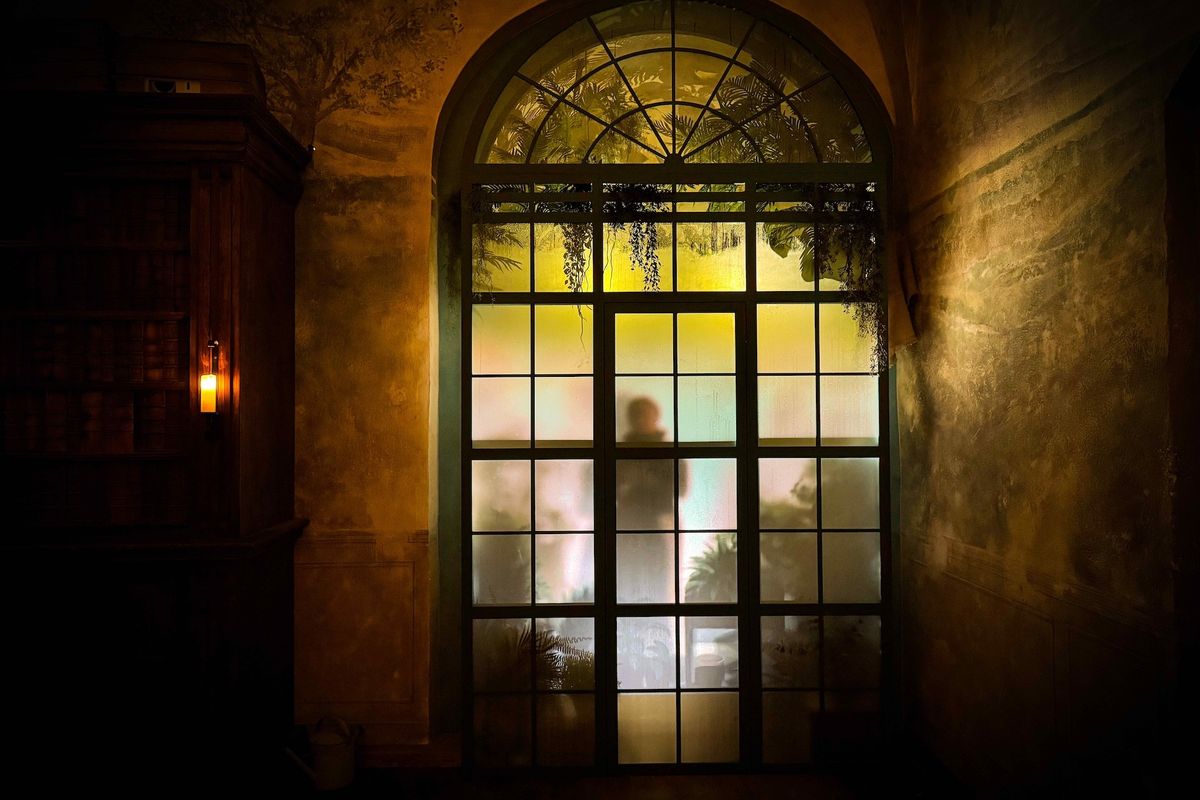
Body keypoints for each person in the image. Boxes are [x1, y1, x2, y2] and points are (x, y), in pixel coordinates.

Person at [616, 396, 688, 530]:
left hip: (659, 517)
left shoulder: (670, 453)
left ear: (655, 417)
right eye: (636, 415)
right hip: (627, 518)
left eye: (644, 415)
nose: (640, 420)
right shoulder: (620, 452)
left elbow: (681, 489)